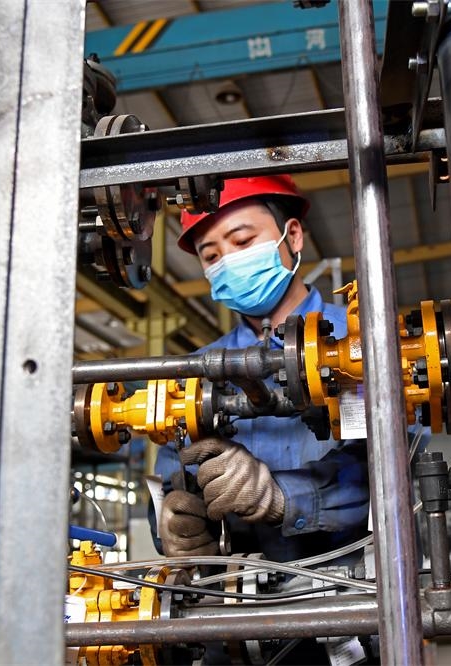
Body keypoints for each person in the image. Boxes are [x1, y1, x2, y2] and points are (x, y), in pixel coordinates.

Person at [153, 175, 370, 563]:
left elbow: (393, 471)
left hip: (363, 586)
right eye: (212, 256)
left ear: (293, 236)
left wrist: (281, 497)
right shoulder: (193, 374)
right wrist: (176, 525)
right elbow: (172, 486)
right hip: (240, 592)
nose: (229, 261)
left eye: (242, 242)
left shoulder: (363, 343)